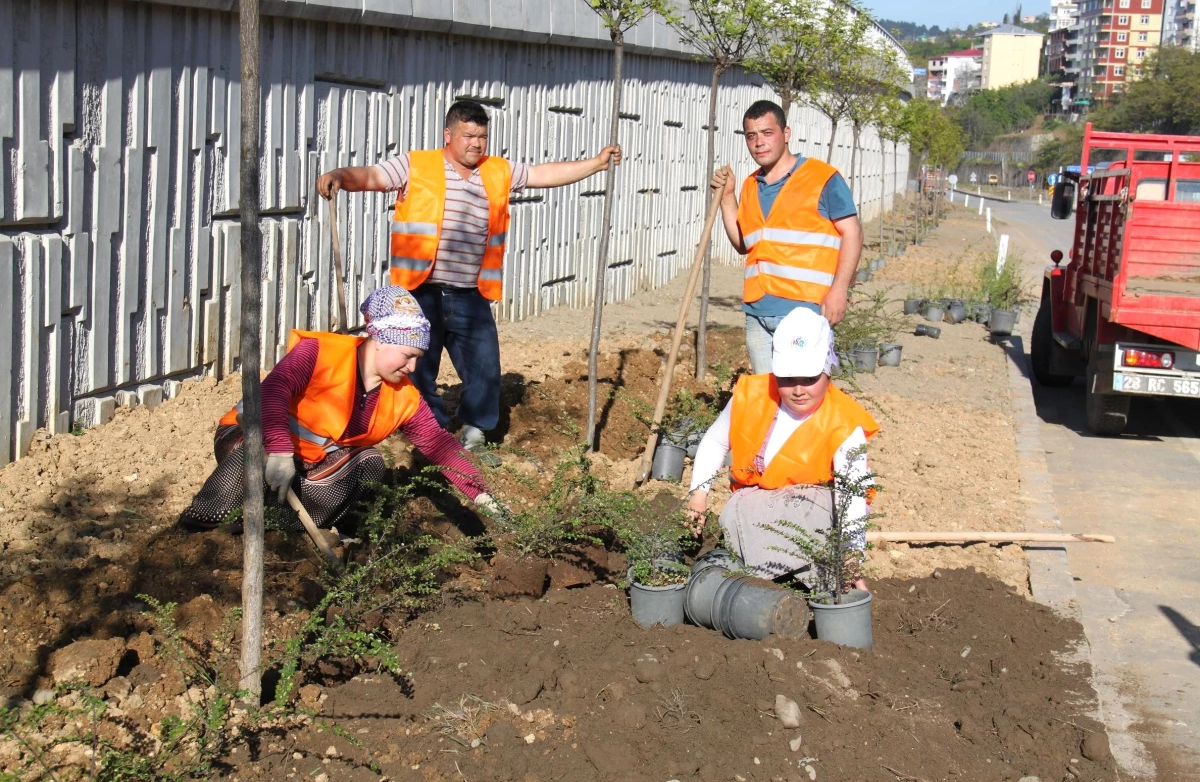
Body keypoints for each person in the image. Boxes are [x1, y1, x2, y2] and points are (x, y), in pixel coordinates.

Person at [316, 101, 622, 460]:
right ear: (449, 135)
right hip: (419, 291)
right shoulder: (417, 165)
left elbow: (544, 174)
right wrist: (340, 176)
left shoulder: (497, 171)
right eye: (468, 136)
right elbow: (372, 176)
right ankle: (429, 434)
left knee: (485, 368)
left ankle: (475, 435)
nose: (476, 143)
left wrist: (597, 164)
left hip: (470, 293)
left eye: (482, 136)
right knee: (417, 367)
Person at [179, 286, 506, 532]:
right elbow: (272, 392)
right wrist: (278, 450)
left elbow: (439, 445)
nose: (411, 367)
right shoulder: (319, 353)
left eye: (417, 359)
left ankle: (283, 527)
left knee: (370, 463)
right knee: (252, 453)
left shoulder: (404, 396)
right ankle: (200, 526)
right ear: (380, 340)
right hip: (255, 438)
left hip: (310, 466)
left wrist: (480, 495)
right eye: (407, 355)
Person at [685, 308, 878, 586]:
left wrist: (851, 553)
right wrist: (698, 496)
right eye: (787, 379)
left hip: (815, 511)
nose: (798, 390)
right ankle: (769, 579)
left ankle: (811, 580)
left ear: (828, 370)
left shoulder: (845, 422)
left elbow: (852, 495)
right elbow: (715, 441)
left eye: (809, 379)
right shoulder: (752, 395)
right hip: (753, 505)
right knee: (737, 513)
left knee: (816, 513)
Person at [710, 100, 864, 375]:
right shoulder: (749, 185)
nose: (759, 142)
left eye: (767, 133)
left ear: (786, 134)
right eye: (751, 135)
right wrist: (726, 198)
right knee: (767, 397)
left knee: (802, 397)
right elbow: (743, 243)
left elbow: (852, 232)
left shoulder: (822, 178)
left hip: (804, 309)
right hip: (758, 311)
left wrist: (839, 291)